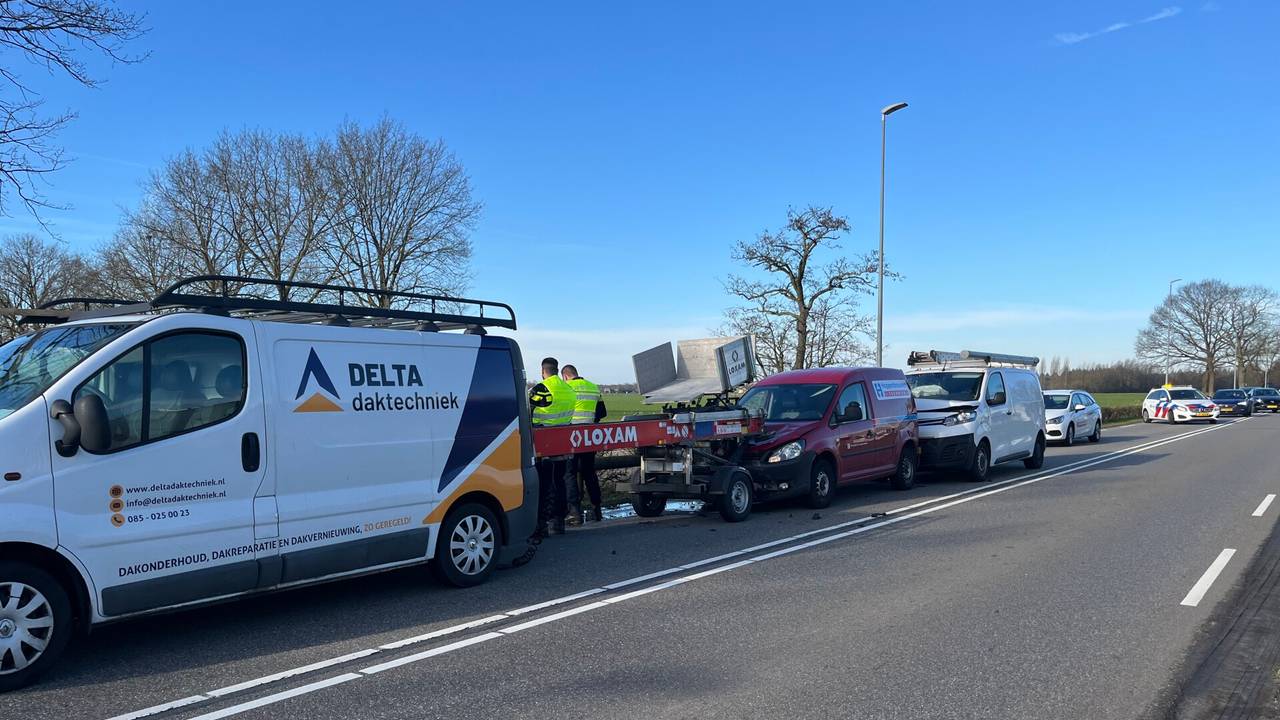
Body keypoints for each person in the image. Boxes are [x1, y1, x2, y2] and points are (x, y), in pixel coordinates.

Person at [528, 357, 577, 536]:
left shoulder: (541, 389)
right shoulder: (569, 389)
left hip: (543, 444)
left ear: (543, 371)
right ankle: (559, 522)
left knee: (544, 485)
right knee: (560, 482)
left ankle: (541, 525)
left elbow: (529, 413)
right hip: (562, 443)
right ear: (557, 370)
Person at [562, 364, 607, 524]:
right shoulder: (593, 387)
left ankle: (574, 511)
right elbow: (602, 412)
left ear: (565, 376)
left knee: (569, 474)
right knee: (589, 472)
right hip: (589, 437)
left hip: (571, 437)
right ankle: (597, 509)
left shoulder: (566, 387)